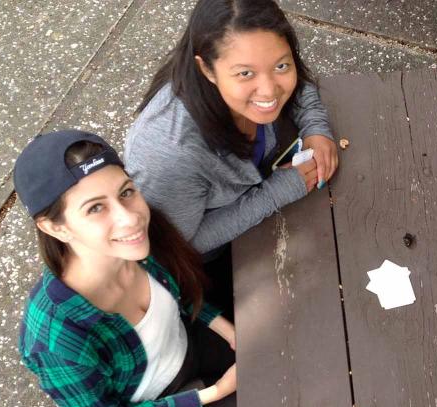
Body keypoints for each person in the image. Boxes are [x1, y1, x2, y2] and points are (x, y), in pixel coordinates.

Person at [15, 130, 237, 407]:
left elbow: (182, 294)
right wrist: (212, 393)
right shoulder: (55, 338)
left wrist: (224, 327)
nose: (130, 217)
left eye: (126, 191)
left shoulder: (137, 246)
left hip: (188, 347)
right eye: (95, 208)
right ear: (55, 227)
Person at [125, 0, 338, 259]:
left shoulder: (259, 66)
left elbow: (299, 86)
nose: (270, 90)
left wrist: (316, 129)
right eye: (246, 74)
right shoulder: (170, 156)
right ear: (207, 69)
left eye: (281, 66)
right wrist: (275, 194)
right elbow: (175, 246)